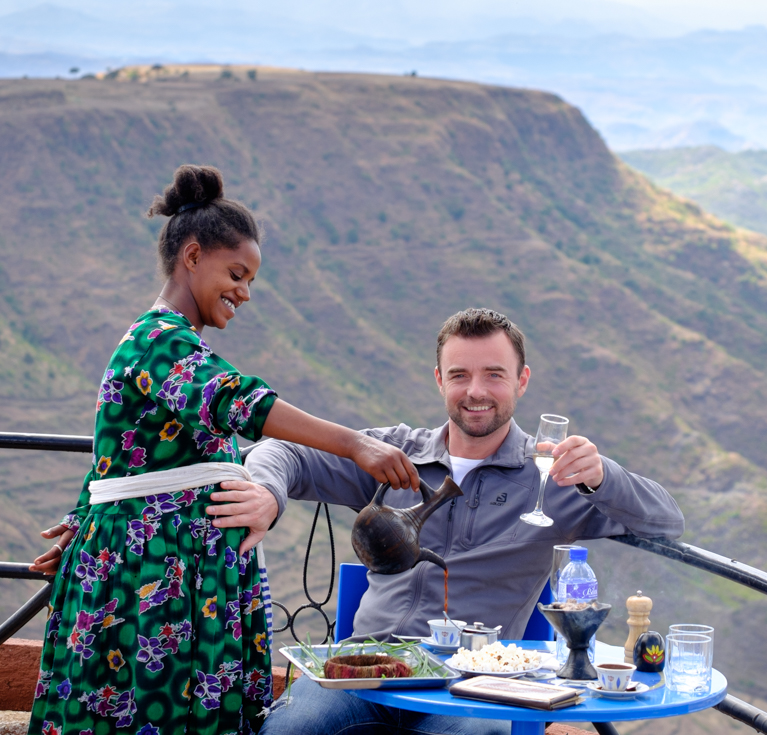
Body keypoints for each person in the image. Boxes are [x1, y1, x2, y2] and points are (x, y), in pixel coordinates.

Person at [27, 164, 420, 735]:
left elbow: (122, 454)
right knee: (147, 710)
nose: (244, 291)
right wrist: (358, 444)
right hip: (152, 573)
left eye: (251, 280)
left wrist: (85, 513)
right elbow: (242, 403)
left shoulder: (172, 345)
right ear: (192, 257)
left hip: (183, 569)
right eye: (236, 273)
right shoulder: (160, 342)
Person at [244, 307, 685, 735]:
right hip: (366, 675)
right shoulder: (396, 454)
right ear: (439, 380)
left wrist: (603, 476)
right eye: (459, 375)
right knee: (288, 729)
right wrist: (268, 492)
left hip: (474, 688)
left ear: (521, 381)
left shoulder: (555, 478)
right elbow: (282, 451)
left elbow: (665, 521)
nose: (476, 391)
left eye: (494, 374)